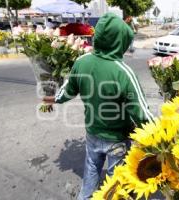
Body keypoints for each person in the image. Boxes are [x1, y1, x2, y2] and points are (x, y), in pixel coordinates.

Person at [43, 13, 154, 200]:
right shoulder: (124, 72)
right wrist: (163, 134)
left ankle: (84, 197)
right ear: (121, 42)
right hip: (117, 138)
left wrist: (51, 99)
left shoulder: (82, 62)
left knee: (92, 168)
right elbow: (141, 113)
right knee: (115, 181)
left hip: (93, 133)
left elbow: (67, 90)